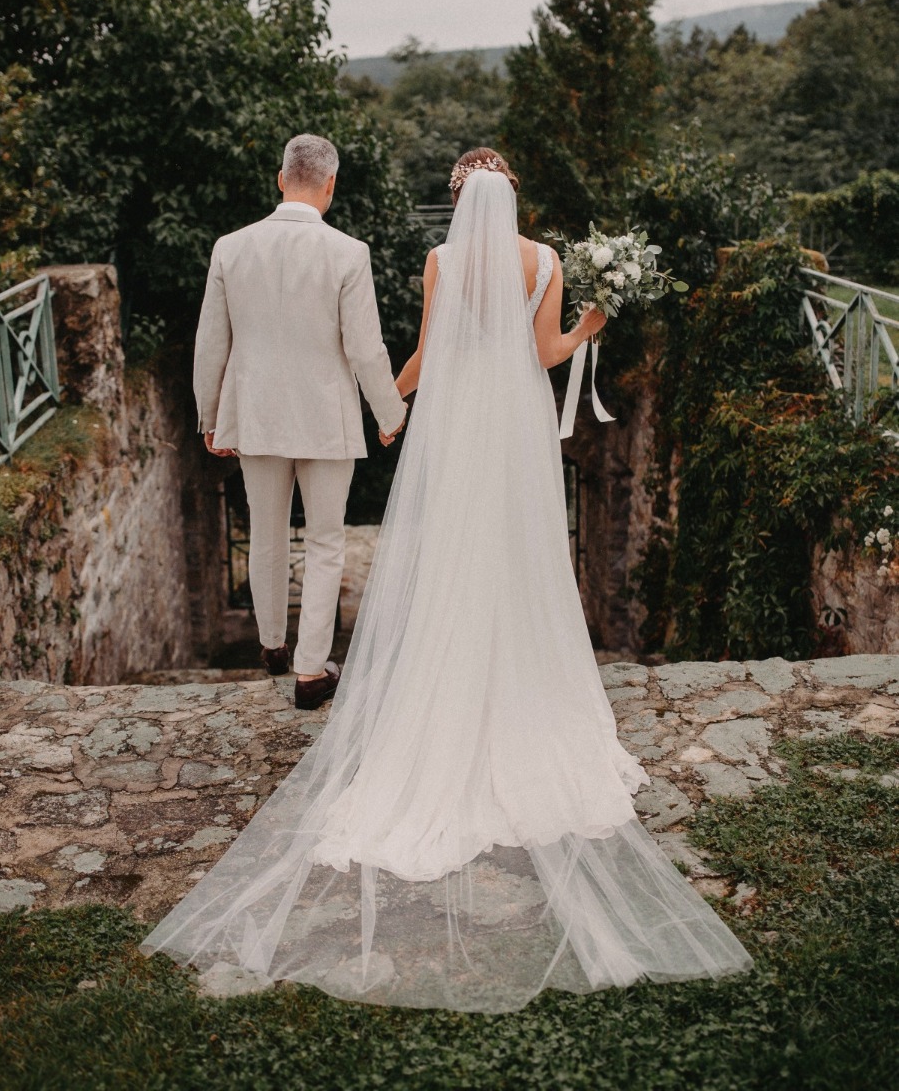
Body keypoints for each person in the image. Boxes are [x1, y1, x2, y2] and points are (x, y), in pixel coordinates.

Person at [142, 148, 752, 1013]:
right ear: (514, 197)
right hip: (518, 432)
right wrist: (591, 327)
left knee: (448, 557)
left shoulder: (440, 261)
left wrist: (388, 405)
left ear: (461, 201)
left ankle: (388, 668)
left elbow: (427, 356)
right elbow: (545, 356)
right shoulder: (545, 261)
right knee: (519, 556)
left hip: (461, 432)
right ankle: (521, 682)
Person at [193, 134, 406, 708]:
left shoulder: (230, 248)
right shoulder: (348, 252)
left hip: (255, 414)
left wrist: (209, 414)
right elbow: (366, 349)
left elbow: (211, 342)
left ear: (280, 177)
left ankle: (270, 645)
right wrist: (390, 412)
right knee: (325, 541)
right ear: (330, 185)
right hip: (326, 419)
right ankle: (312, 672)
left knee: (265, 532)